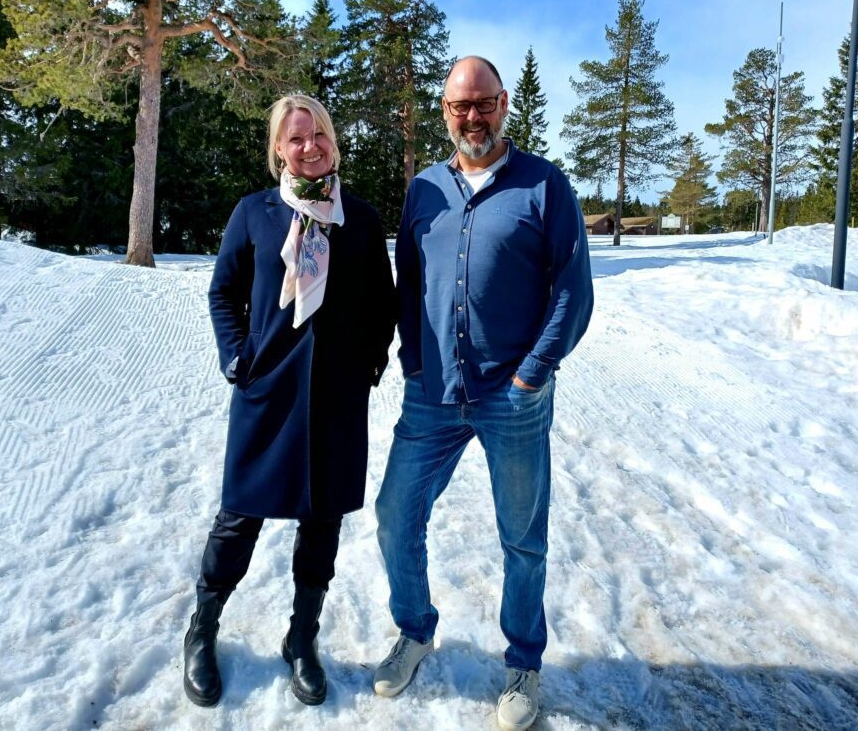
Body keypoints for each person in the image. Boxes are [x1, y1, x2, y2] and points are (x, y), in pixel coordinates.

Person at [372, 56, 594, 730]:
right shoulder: (425, 190)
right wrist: (413, 357)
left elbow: (573, 290)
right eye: (458, 106)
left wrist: (533, 373)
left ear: (504, 104)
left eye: (483, 103)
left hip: (513, 399)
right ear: (444, 111)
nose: (471, 117)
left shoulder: (544, 186)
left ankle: (523, 661)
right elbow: (408, 282)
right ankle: (415, 630)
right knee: (393, 514)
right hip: (433, 394)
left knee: (522, 539)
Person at [183, 94, 396, 708]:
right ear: (279, 148)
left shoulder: (357, 215)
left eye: (319, 135)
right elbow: (224, 294)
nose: (310, 147)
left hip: (335, 399)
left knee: (321, 521)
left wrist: (370, 365)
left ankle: (302, 638)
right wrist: (235, 359)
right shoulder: (254, 213)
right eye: (296, 138)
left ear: (333, 141)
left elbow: (383, 304)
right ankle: (202, 628)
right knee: (239, 517)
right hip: (266, 392)